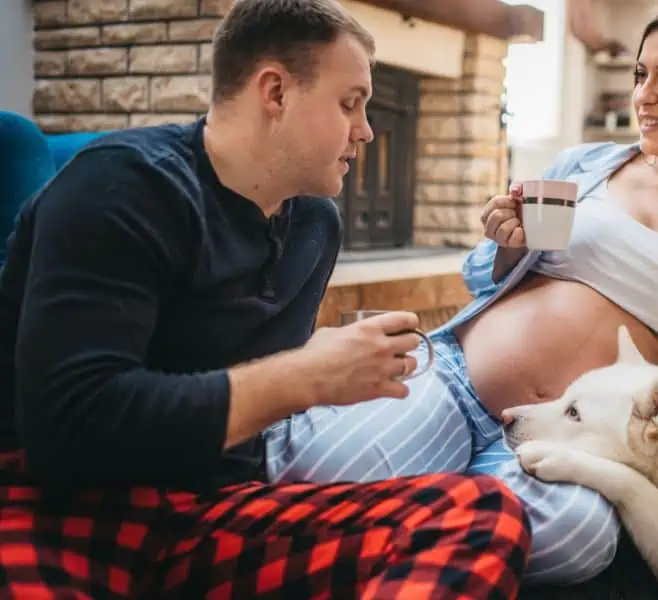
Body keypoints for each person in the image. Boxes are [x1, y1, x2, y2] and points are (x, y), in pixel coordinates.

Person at [265, 0, 658, 586]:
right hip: (458, 379)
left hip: (569, 434)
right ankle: (440, 513)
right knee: (319, 466)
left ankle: (398, 509)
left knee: (580, 536)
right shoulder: (589, 165)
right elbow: (486, 278)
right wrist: (507, 244)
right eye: (640, 75)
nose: (644, 95)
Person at [0, 1, 531, 597]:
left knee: (482, 512)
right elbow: (69, 428)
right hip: (59, 508)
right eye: (349, 102)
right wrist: (302, 377)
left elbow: (258, 427)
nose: (366, 129)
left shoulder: (314, 225)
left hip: (212, 512)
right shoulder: (120, 188)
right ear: (275, 92)